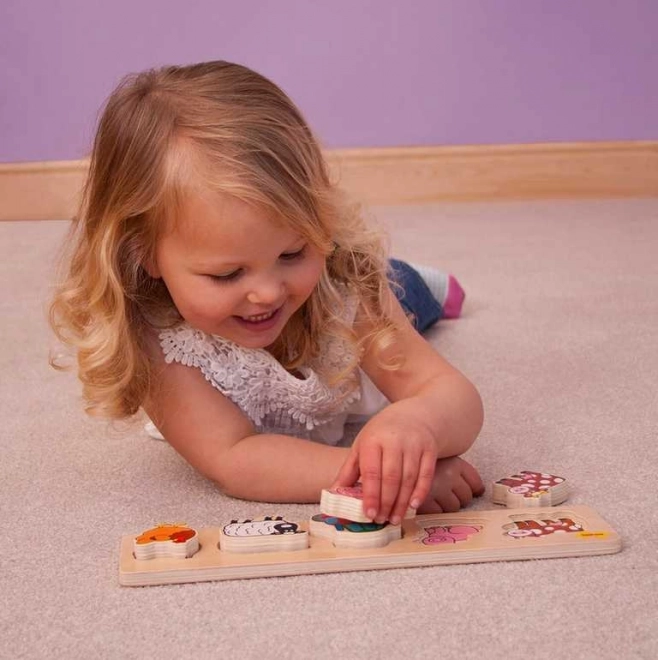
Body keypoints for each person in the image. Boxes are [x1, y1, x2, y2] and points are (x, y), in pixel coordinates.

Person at [50, 61, 484, 526]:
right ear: (145, 254)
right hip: (299, 293)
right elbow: (236, 457)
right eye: (227, 274)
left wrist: (417, 423)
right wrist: (380, 478)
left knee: (401, 291)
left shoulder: (344, 277)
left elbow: (449, 393)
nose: (267, 293)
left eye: (292, 251)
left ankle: (418, 281)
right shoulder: (154, 337)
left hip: (336, 288)